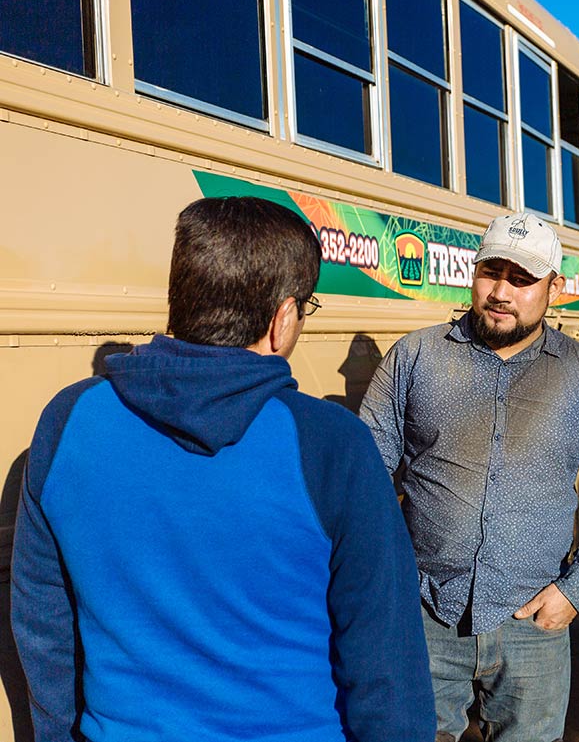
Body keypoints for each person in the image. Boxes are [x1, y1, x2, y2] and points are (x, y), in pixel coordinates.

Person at [12, 197, 435, 742]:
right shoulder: (331, 443)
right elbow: (387, 664)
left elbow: (43, 629)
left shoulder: (67, 421)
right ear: (283, 318)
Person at [361, 212, 579, 742]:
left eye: (522, 279)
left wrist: (576, 590)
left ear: (553, 288)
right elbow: (366, 478)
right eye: (492, 272)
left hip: (533, 626)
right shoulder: (415, 358)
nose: (502, 292)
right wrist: (388, 582)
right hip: (424, 619)